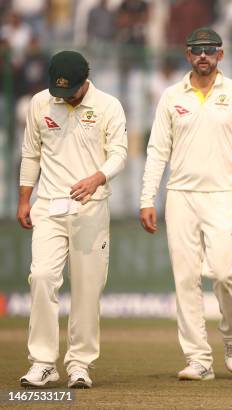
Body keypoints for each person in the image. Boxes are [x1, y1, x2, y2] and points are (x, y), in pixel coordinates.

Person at [139, 27, 232, 381]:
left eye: (210, 50)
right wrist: (147, 197)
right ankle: (198, 358)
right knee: (185, 279)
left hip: (224, 196)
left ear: (220, 55)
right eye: (197, 50)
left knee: (225, 274)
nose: (203, 55)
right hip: (180, 195)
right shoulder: (171, 96)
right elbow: (156, 151)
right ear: (188, 55)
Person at [17, 50, 128, 388]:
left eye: (70, 91)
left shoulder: (108, 106)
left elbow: (120, 153)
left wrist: (98, 178)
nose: (62, 98)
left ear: (85, 80)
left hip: (90, 208)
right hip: (49, 205)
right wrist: (24, 197)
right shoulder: (40, 102)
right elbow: (31, 152)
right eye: (58, 91)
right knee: (41, 277)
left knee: (86, 288)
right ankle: (43, 362)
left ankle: (79, 363)